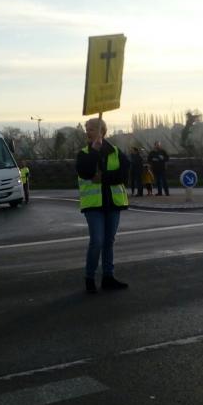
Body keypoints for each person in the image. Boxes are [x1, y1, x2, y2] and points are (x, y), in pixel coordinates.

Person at [76, 117, 129, 293]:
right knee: (97, 241)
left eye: (91, 128)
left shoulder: (115, 151)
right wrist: (94, 152)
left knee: (109, 242)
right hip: (94, 206)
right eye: (87, 128)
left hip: (112, 204)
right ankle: (89, 278)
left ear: (102, 131)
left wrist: (104, 178)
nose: (87, 132)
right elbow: (85, 173)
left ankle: (108, 277)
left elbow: (123, 175)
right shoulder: (84, 153)